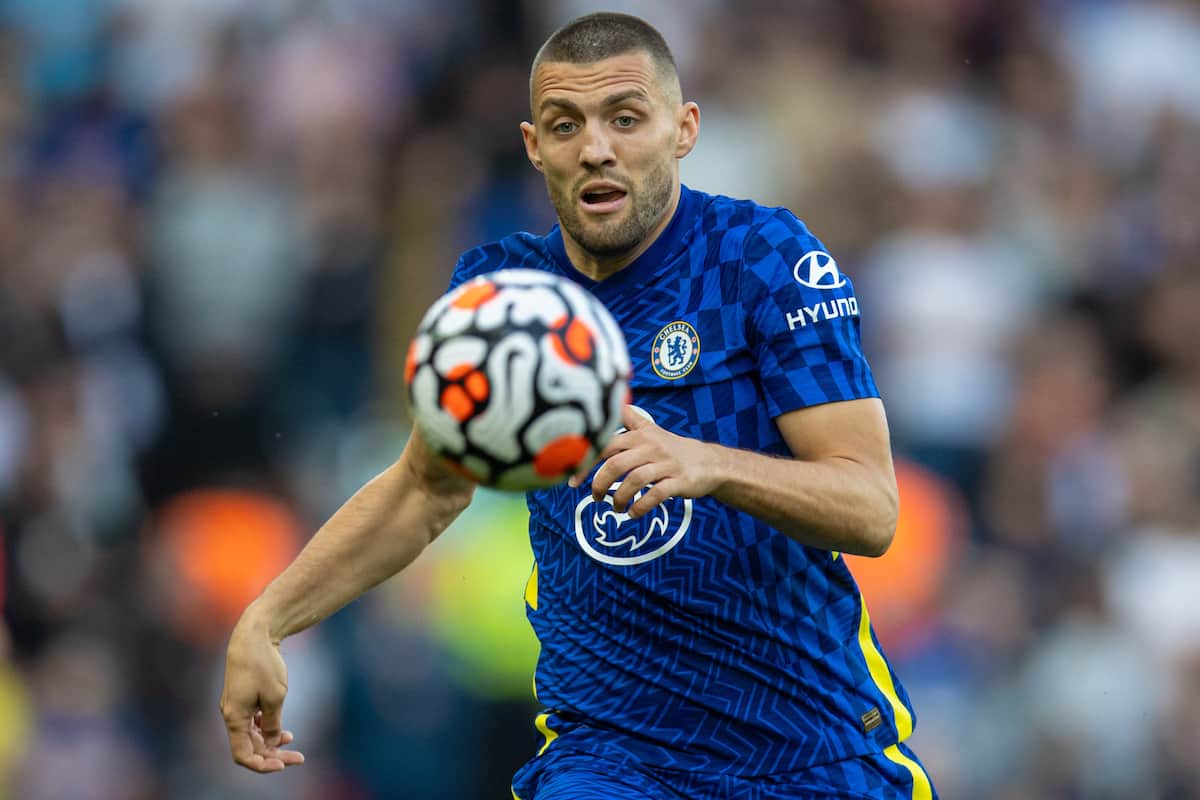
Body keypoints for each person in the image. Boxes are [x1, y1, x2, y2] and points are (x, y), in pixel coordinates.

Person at [220, 11, 938, 800]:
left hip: (810, 749)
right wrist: (268, 618)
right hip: (610, 757)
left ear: (683, 129)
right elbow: (426, 487)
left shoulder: (763, 259)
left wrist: (710, 466)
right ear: (535, 147)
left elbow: (870, 508)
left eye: (625, 119)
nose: (596, 147)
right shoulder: (503, 301)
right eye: (567, 125)